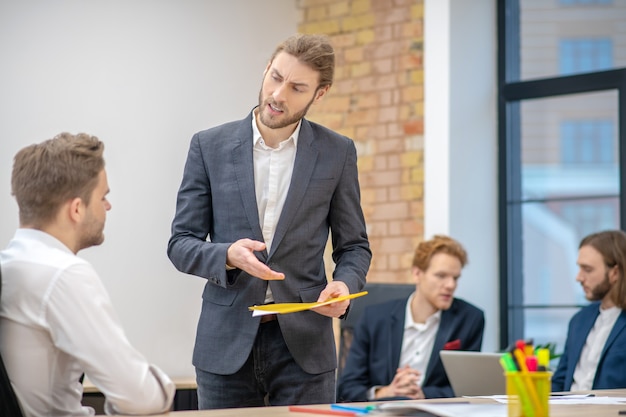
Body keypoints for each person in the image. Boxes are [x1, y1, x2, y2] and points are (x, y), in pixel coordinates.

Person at [167, 33, 371, 409]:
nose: (278, 94)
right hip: (224, 346)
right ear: (266, 70)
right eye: (275, 77)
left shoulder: (337, 152)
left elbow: (354, 246)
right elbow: (180, 243)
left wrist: (343, 285)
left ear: (319, 94)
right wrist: (228, 255)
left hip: (305, 350)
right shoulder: (208, 146)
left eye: (296, 88)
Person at [0, 133, 175, 417]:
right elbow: (141, 397)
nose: (108, 206)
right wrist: (160, 386)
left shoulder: (10, 265)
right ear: (77, 209)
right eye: (103, 197)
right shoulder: (63, 274)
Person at [337, 235, 485, 401]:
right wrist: (387, 392)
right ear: (417, 274)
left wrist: (424, 394)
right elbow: (348, 386)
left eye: (455, 278)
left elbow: (467, 388)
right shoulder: (374, 318)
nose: (451, 285)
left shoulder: (470, 319)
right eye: (441, 276)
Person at [552, 230, 626, 392]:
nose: (578, 277)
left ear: (615, 273)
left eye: (588, 269)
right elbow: (560, 382)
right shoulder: (579, 320)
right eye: (579, 268)